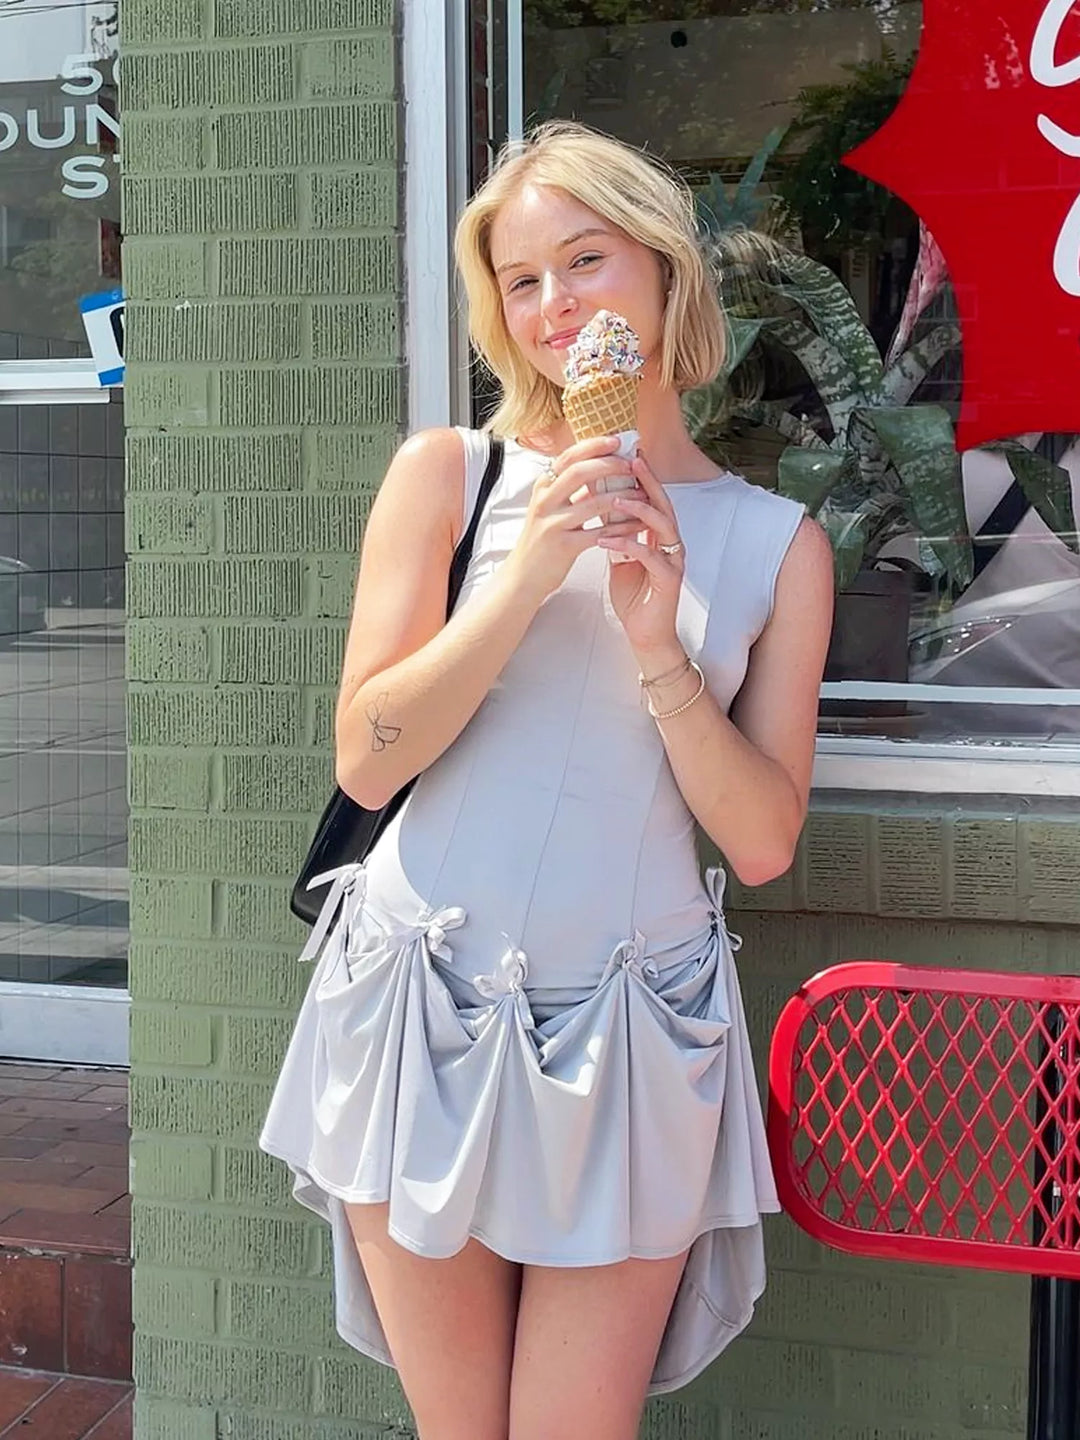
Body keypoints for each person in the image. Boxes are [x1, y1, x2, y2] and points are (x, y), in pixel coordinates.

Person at [260, 120, 833, 1440]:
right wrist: (523, 579)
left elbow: (761, 844)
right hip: (418, 1003)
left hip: (634, 1037)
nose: (556, 304)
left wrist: (659, 646)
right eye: (521, 281)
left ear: (666, 274)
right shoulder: (449, 478)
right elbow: (368, 754)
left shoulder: (775, 545)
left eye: (586, 260)